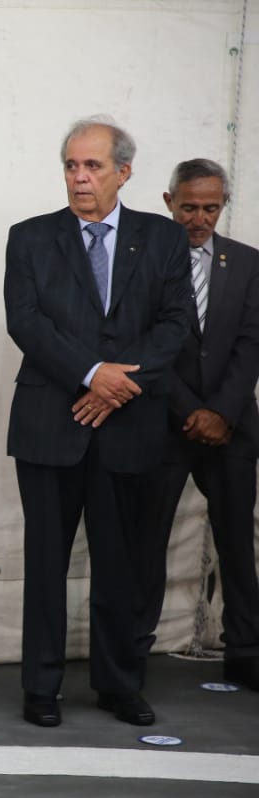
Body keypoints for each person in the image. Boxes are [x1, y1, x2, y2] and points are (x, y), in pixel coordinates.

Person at [4, 116, 192, 728]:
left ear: (124, 173)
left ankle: (118, 683)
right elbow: (26, 323)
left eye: (92, 166)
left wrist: (117, 386)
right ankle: (41, 688)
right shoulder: (29, 237)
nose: (79, 177)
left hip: (130, 424)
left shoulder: (161, 238)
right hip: (49, 424)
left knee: (121, 565)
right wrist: (91, 373)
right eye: (71, 165)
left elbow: (176, 325)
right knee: (46, 566)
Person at [136, 158, 259, 691]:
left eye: (211, 208)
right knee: (147, 540)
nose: (200, 218)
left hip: (231, 425)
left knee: (237, 541)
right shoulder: (143, 261)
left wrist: (222, 412)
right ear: (168, 202)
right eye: (189, 206)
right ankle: (131, 648)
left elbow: (250, 344)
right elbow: (145, 346)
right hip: (165, 422)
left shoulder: (248, 263)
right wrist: (190, 411)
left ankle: (247, 649)